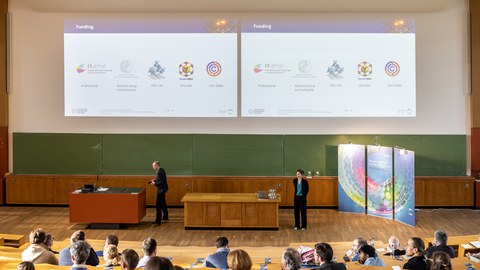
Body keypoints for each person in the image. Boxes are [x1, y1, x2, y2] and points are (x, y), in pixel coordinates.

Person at [149, 160, 169, 225]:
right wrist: (155, 180)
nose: (153, 168)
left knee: (158, 206)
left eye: (153, 166)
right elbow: (161, 179)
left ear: (157, 165)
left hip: (161, 190)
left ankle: (158, 221)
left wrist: (154, 183)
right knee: (163, 204)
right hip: (163, 190)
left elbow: (161, 182)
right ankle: (165, 216)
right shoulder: (161, 170)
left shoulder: (159, 172)